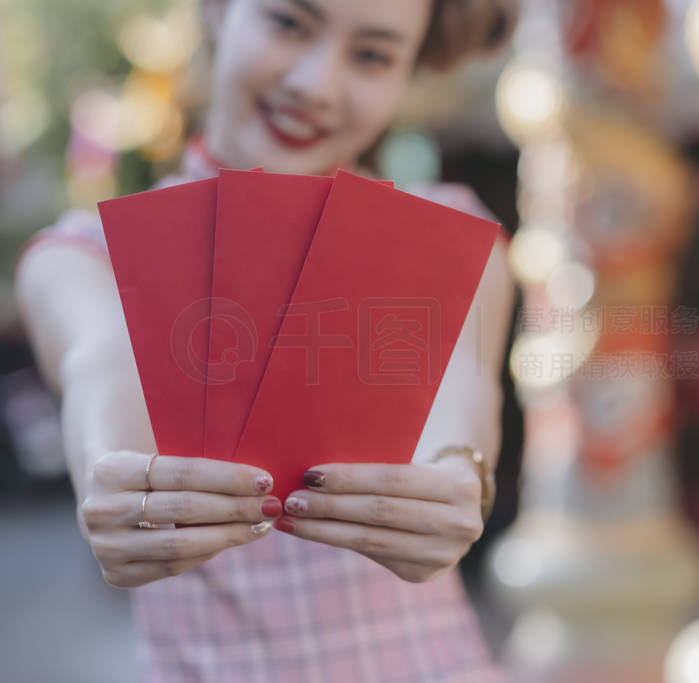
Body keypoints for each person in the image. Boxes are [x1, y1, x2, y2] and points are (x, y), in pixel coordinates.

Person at [14, 1, 517, 680]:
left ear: (410, 69)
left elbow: (461, 402)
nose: (315, 84)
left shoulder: (451, 236)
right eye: (289, 23)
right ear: (218, 10)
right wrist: (113, 484)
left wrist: (460, 476)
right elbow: (100, 378)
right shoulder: (82, 259)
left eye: (371, 54)